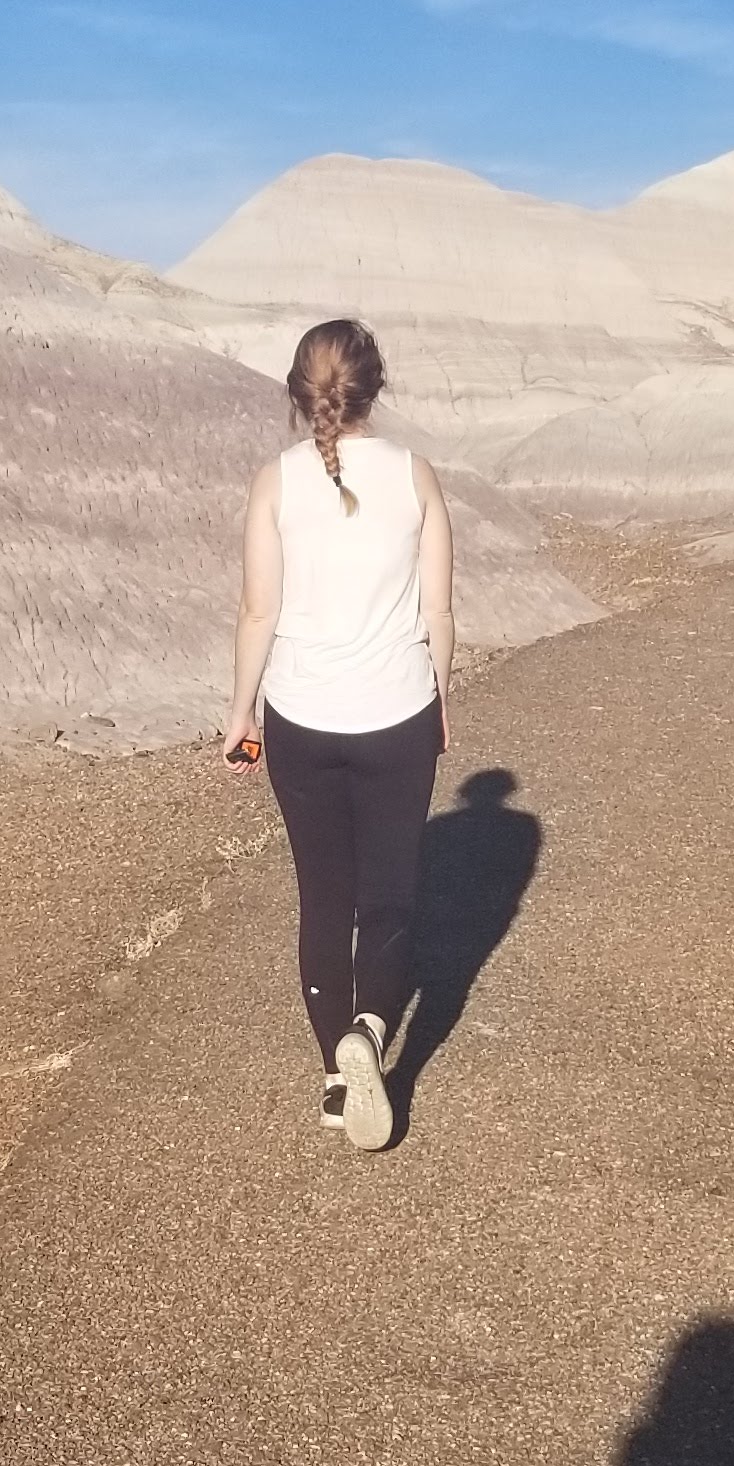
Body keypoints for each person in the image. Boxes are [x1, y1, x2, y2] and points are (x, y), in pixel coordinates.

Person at [224, 317, 455, 1150]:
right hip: (396, 713)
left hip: (301, 718)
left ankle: (335, 1074)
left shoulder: (274, 483)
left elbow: (260, 609)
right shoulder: (416, 476)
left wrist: (241, 711)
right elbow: (437, 610)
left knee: (324, 898)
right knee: (389, 895)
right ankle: (370, 1030)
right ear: (375, 386)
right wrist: (439, 697)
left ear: (298, 392)